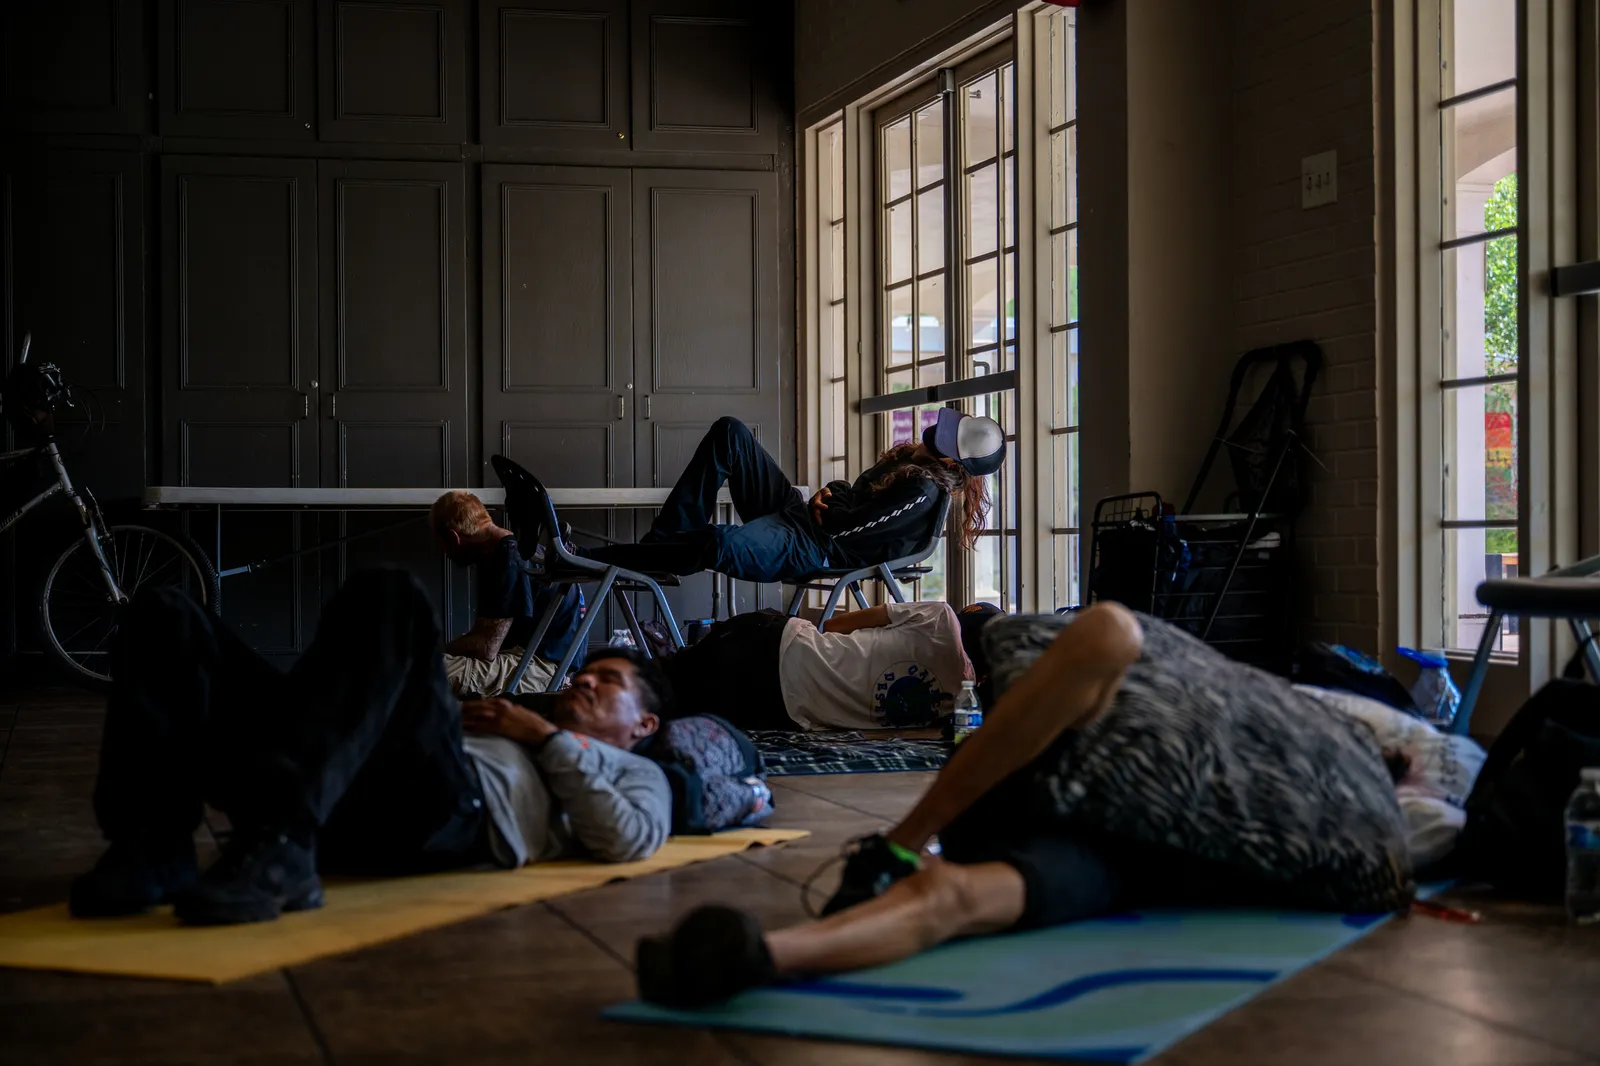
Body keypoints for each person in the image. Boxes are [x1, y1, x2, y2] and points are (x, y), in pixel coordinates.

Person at [632, 605, 1417, 1008]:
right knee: (962, 897)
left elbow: (1109, 632)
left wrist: (906, 838)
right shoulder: (1368, 806)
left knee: (957, 885)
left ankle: (796, 934)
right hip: (1141, 856)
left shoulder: (1332, 751)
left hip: (1117, 825)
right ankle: (772, 958)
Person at [69, 569, 673, 926]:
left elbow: (625, 837)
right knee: (163, 611)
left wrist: (542, 737)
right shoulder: (518, 710)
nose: (585, 679)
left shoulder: (638, 772)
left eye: (609, 680)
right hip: (339, 773)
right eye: (586, 674)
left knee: (393, 592)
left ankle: (282, 844)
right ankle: (152, 845)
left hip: (445, 809)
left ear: (644, 724)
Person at [584, 410, 1004, 583]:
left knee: (717, 542)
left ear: (952, 466)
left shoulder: (923, 488)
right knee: (731, 432)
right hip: (802, 519)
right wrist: (829, 495)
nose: (931, 435)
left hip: (814, 548)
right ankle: (663, 544)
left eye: (942, 441)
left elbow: (844, 525)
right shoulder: (909, 463)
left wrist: (831, 502)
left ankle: (600, 561)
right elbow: (849, 492)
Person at [657, 601, 1003, 732]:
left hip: (774, 647)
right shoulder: (958, 709)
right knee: (669, 701)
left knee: (661, 677)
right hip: (778, 712)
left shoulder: (940, 616)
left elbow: (834, 627)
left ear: (968, 615)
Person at [431, 490, 583, 695]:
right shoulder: (507, 549)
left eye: (442, 543)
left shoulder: (509, 558)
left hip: (541, 671)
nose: (444, 552)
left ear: (453, 537)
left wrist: (439, 649)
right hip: (528, 659)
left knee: (419, 668)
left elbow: (486, 648)